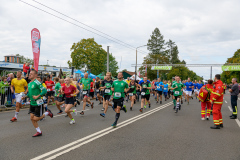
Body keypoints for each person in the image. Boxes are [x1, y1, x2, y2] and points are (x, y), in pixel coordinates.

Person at [22, 70, 53, 137]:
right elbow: (30, 93)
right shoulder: (30, 83)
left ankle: (47, 113)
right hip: (32, 103)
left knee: (36, 119)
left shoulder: (37, 82)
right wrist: (25, 97)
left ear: (35, 75)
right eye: (29, 74)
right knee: (31, 118)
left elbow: (44, 90)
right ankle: (39, 131)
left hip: (38, 103)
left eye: (31, 74)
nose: (29, 75)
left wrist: (38, 96)